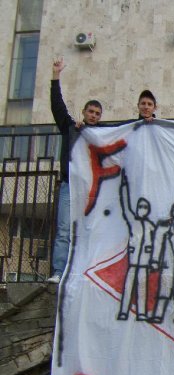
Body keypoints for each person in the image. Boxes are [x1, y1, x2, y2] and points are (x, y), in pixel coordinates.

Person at [48, 57, 103, 283]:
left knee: (87, 230)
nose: (93, 115)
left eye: (97, 113)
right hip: (69, 186)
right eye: (91, 112)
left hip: (90, 190)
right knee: (64, 229)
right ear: (84, 112)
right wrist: (56, 75)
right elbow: (57, 105)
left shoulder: (102, 135)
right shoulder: (71, 128)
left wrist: (148, 121)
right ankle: (59, 272)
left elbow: (128, 129)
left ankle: (83, 272)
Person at [116, 172, 155, 321]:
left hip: (144, 263)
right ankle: (124, 311)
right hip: (133, 263)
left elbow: (158, 242)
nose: (142, 209)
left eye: (145, 207)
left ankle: (141, 312)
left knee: (142, 288)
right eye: (140, 207)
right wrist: (124, 186)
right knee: (128, 288)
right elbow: (126, 206)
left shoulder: (150, 226)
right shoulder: (133, 221)